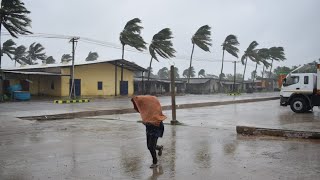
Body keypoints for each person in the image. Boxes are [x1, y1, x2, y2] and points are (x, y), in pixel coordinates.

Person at [131, 96, 166, 168]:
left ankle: (155, 162)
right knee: (149, 146)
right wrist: (146, 122)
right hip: (149, 128)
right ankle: (159, 148)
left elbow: (157, 118)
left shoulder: (155, 108)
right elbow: (146, 117)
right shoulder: (146, 110)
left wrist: (150, 122)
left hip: (156, 128)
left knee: (151, 146)